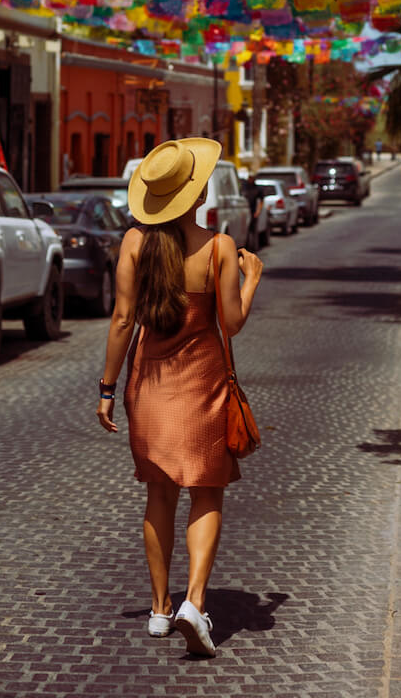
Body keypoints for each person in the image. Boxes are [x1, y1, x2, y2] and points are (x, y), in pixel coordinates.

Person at [96, 138, 263, 657]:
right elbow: (230, 323)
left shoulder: (133, 244)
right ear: (196, 195)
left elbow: (123, 320)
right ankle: (194, 601)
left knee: (159, 494)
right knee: (207, 492)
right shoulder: (217, 247)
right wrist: (252, 278)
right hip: (202, 386)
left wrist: (106, 387)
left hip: (149, 386)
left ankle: (160, 610)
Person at [240, 174, 265, 251]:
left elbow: (261, 201)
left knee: (253, 231)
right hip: (244, 211)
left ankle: (253, 248)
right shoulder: (244, 187)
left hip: (252, 212)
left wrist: (258, 211)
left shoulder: (257, 188)